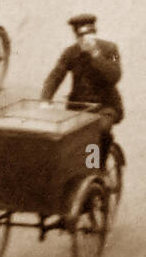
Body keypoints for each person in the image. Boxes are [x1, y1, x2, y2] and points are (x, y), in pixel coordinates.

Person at [41, 14, 124, 163]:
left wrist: (96, 54)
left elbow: (115, 75)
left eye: (89, 36)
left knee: (100, 130)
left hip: (106, 106)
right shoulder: (70, 52)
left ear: (94, 33)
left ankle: (98, 166)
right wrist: (45, 100)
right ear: (76, 37)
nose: (85, 41)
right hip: (78, 107)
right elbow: (55, 76)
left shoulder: (111, 49)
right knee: (64, 137)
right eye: (81, 37)